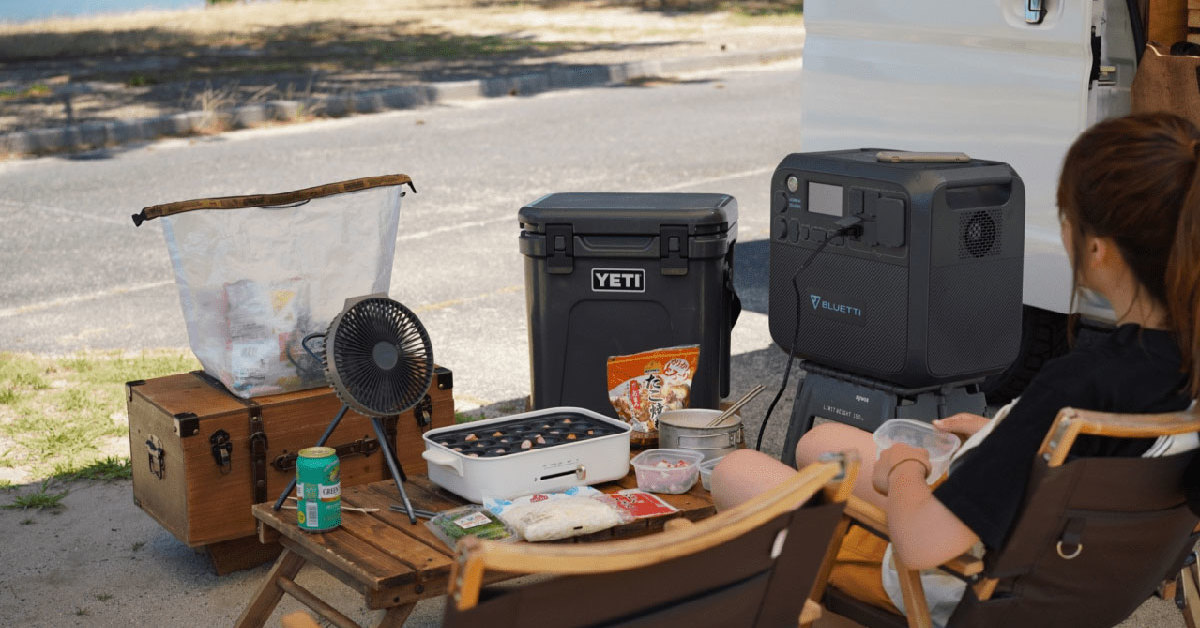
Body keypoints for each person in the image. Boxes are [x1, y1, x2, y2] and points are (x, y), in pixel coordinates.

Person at [711, 112, 1200, 626]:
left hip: (952, 582)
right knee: (822, 441)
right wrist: (1003, 432)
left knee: (734, 471)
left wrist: (905, 469)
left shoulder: (1077, 383)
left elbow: (923, 544)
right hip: (1069, 567)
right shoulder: (1170, 368)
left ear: (1097, 251)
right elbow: (1114, 450)